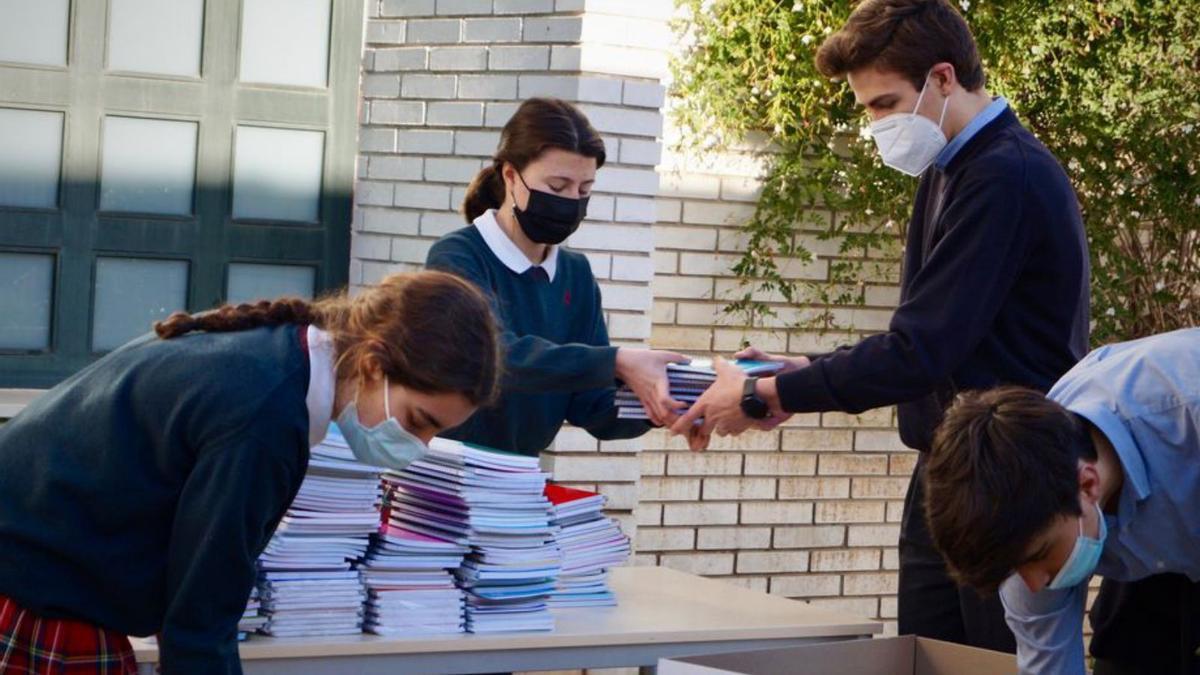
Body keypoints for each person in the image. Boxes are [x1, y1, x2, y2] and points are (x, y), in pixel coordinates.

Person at [670, 0, 1090, 655]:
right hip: (947, 465)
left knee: (997, 665)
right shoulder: (948, 170)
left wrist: (763, 395)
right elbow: (921, 336)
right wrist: (800, 369)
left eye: (884, 104)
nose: (875, 125)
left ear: (944, 78)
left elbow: (919, 351)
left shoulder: (1006, 173)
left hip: (1013, 478)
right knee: (922, 656)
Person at [0, 271, 501, 674]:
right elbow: (200, 620)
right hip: (36, 587)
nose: (420, 446)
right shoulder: (266, 419)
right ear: (373, 364)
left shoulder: (280, 355)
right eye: (419, 421)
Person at [922, 327, 1200, 674]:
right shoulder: (1022, 534)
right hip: (1154, 548)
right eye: (1017, 569)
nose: (1035, 584)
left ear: (1087, 483)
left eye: (1038, 557)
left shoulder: (1187, 409)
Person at [426, 97, 685, 456]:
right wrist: (617, 361)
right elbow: (492, 357)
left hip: (519, 481)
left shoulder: (575, 274)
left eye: (584, 190)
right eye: (557, 187)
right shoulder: (458, 256)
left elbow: (592, 406)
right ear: (511, 176)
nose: (572, 201)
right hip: (443, 473)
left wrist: (666, 399)